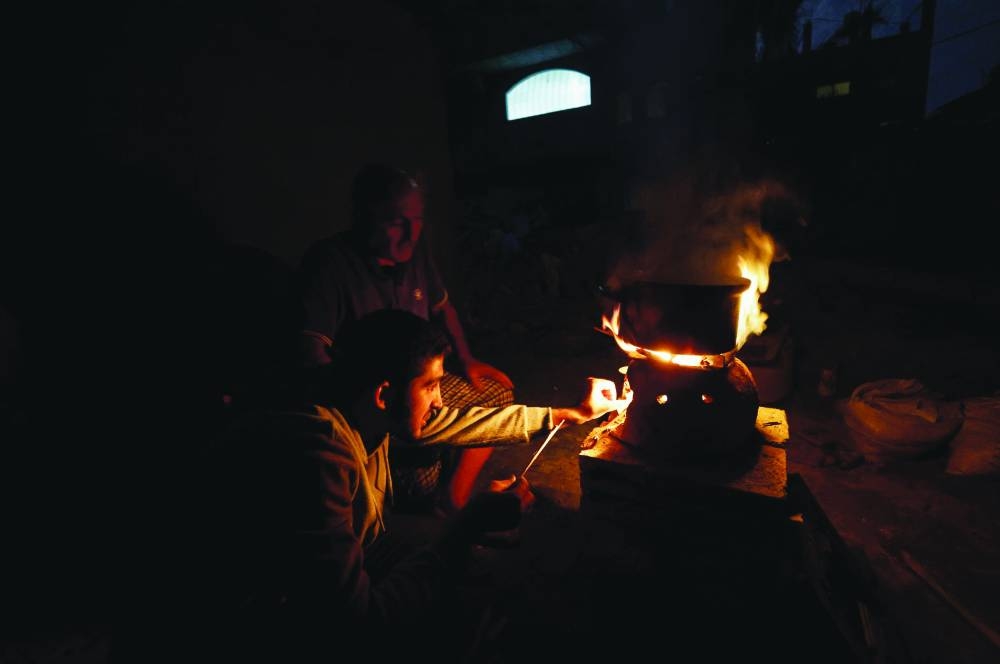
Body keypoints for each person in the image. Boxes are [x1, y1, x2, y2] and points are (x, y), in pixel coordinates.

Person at [153, 309, 627, 663]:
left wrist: (566, 415)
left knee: (477, 571)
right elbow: (356, 622)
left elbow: (458, 422)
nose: (440, 400)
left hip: (345, 566)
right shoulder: (318, 454)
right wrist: (463, 528)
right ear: (384, 393)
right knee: (466, 592)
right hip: (254, 621)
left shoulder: (360, 405)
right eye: (431, 386)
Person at [297, 162, 516, 514]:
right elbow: (311, 352)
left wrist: (466, 359)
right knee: (420, 479)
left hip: (421, 390)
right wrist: (356, 419)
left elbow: (443, 308)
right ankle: (416, 477)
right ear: (366, 217)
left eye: (418, 220)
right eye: (397, 222)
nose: (412, 233)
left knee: (496, 394)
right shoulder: (330, 265)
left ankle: (454, 499)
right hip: (381, 411)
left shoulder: (415, 255)